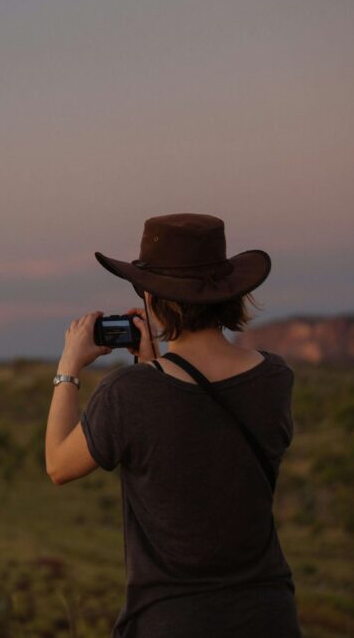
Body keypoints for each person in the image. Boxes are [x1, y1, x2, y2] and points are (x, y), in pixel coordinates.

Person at [44, 213, 301, 637]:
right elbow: (193, 431)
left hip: (172, 621)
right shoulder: (275, 378)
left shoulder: (128, 392)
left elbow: (58, 464)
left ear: (154, 297)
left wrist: (68, 367)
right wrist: (155, 363)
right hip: (268, 616)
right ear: (229, 293)